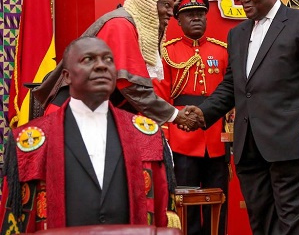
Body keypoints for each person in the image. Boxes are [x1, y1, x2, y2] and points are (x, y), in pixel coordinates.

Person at [186, 0, 299, 234]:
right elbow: (232, 86)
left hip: (290, 144)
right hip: (249, 147)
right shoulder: (237, 34)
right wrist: (202, 113)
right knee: (261, 219)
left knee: (293, 221)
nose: (243, 0)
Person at [0, 37, 179, 232]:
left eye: (108, 59)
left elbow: (162, 214)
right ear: (67, 76)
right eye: (88, 59)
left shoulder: (146, 134)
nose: (102, 66)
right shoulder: (30, 141)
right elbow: (15, 220)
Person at [32, 0, 198, 129]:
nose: (171, 13)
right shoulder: (120, 25)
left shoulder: (129, 26)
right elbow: (131, 86)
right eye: (166, 5)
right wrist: (175, 115)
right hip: (72, 118)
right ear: (147, 2)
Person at [154, 0, 229, 235]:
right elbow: (161, 97)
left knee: (218, 200)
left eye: (200, 14)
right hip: (181, 139)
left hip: (216, 139)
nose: (196, 18)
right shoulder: (168, 52)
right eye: (189, 14)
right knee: (184, 203)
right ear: (179, 20)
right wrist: (167, 135)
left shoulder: (222, 51)